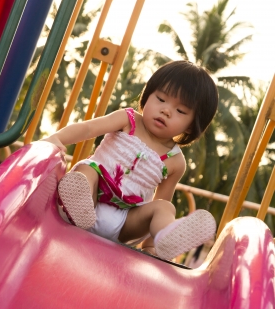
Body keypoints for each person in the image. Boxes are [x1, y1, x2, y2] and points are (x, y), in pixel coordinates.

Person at [42, 60, 218, 261]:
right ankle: (80, 206)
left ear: (191, 125)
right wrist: (56, 139)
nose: (166, 110)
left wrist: (149, 245)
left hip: (124, 223)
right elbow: (88, 129)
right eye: (161, 99)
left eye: (181, 111)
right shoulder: (128, 120)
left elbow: (164, 197)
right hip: (90, 199)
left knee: (164, 208)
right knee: (89, 169)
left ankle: (164, 240)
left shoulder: (175, 162)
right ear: (148, 94)